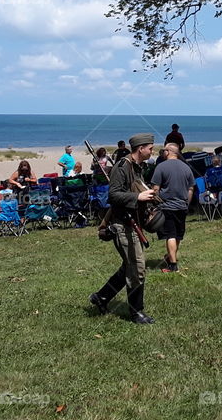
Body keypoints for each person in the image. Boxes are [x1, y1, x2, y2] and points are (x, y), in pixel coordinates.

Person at [90, 133, 157, 324]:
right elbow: (113, 196)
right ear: (141, 148)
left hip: (134, 224)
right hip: (123, 224)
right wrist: (138, 198)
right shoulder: (122, 167)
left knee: (129, 266)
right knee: (137, 268)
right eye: (150, 148)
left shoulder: (136, 167)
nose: (152, 151)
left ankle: (101, 297)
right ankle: (136, 312)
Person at [150, 142, 195, 273]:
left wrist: (155, 203)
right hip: (182, 206)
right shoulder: (186, 167)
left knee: (170, 235)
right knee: (178, 235)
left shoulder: (161, 167)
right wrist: (187, 203)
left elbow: (155, 189)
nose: (162, 152)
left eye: (163, 150)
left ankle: (172, 265)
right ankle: (171, 256)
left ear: (168, 152)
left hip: (166, 206)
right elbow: (191, 188)